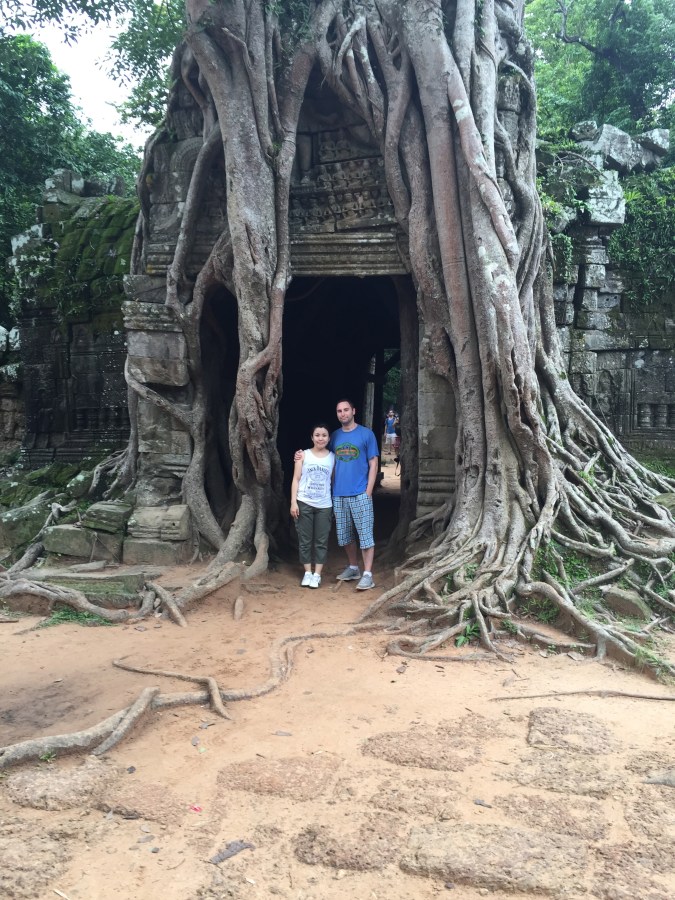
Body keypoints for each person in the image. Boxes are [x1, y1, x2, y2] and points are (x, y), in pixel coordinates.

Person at [290, 424, 335, 588]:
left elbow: (332, 481)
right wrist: (293, 502)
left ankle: (317, 575)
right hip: (304, 503)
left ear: (329, 438)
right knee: (305, 540)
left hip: (324, 505)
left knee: (321, 541)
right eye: (317, 435)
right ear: (312, 437)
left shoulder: (333, 457)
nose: (320, 438)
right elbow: (296, 479)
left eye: (324, 435)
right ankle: (308, 573)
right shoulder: (303, 455)